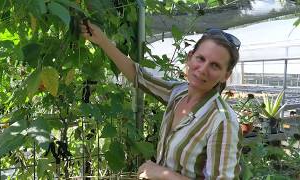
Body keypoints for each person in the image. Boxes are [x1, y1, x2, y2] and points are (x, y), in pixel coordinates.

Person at [80, 21, 242, 179]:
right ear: (190, 58)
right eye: (201, 58)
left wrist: (161, 173)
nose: (203, 69)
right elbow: (139, 77)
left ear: (225, 75)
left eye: (215, 66)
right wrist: (102, 40)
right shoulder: (178, 93)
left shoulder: (223, 121)